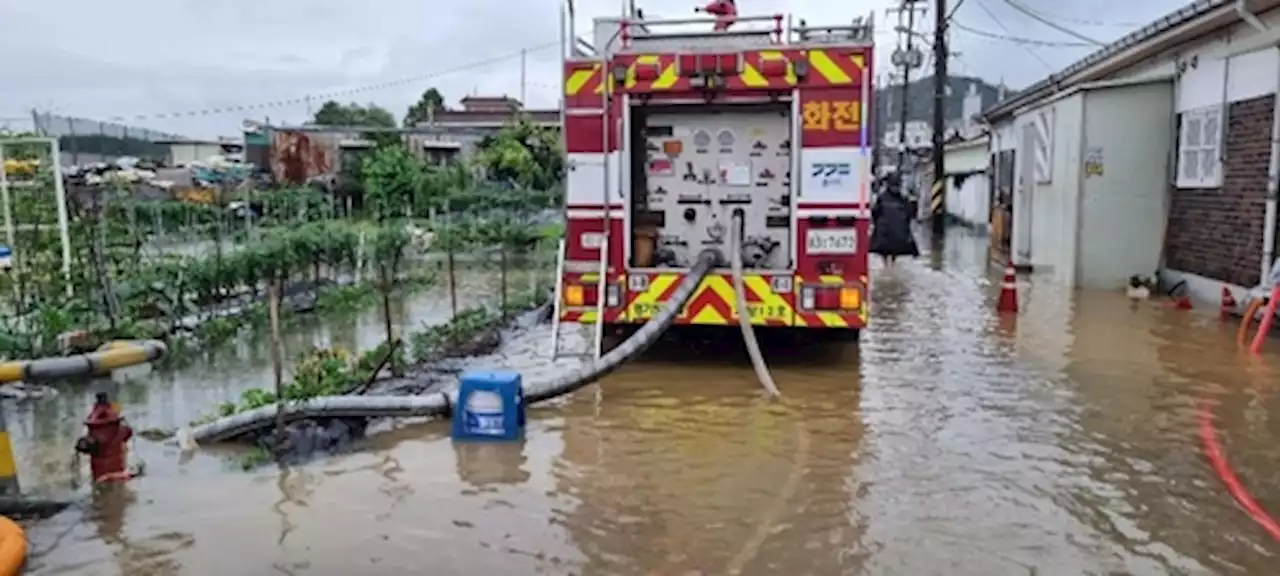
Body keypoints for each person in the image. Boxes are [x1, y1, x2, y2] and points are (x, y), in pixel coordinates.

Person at [869, 174, 920, 267]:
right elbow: (910, 214)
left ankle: (886, 265)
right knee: (895, 248)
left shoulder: (881, 197)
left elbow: (875, 213)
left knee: (884, 249)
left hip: (883, 235)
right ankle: (892, 263)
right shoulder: (904, 198)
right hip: (899, 235)